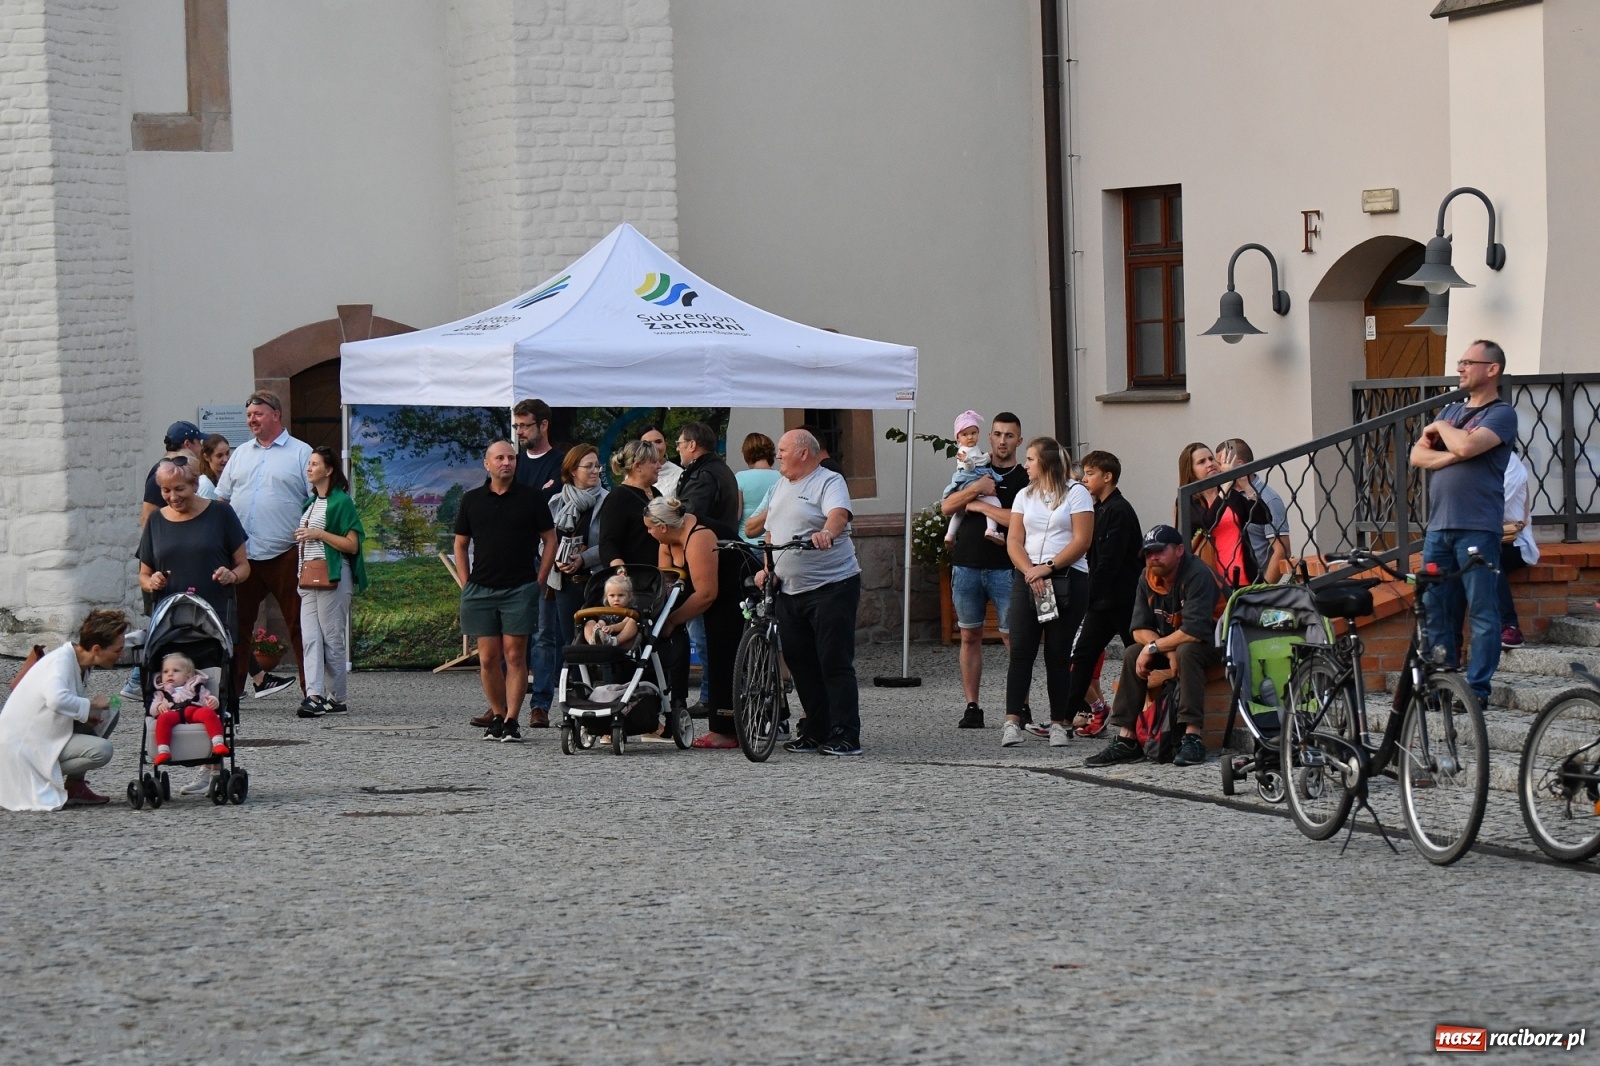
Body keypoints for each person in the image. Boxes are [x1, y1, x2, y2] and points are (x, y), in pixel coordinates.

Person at [1409, 339, 1518, 705]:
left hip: (1477, 526)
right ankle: (1442, 683)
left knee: (1483, 610)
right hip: (1438, 527)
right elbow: (1417, 455)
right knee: (1436, 607)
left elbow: (1468, 448)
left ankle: (1477, 690)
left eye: (1468, 362)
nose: (1460, 368)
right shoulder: (1454, 411)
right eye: (1460, 362)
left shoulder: (1502, 414)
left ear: (1492, 369)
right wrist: (1452, 452)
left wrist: (1444, 431)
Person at [137, 458, 250, 795]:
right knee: (171, 692)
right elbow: (143, 574)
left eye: (180, 489)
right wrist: (151, 580)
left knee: (212, 690)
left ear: (196, 483)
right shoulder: (156, 521)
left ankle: (210, 766)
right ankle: (168, 754)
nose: (172, 497)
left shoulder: (220, 515)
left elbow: (244, 566)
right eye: (165, 490)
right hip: (171, 621)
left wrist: (232, 575)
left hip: (213, 615)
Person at [1085, 525, 1223, 769]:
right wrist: (1160, 649)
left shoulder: (1197, 574)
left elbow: (1193, 632)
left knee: (1186, 651)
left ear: (1180, 550)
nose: (1153, 558)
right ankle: (1127, 739)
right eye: (1148, 553)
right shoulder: (1148, 577)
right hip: (1176, 643)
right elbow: (1138, 628)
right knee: (1132, 652)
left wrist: (1156, 648)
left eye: (1159, 551)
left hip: (1218, 642)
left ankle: (1192, 736)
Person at [766, 429, 863, 757]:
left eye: (782, 449)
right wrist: (768, 567)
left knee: (833, 660)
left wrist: (826, 533)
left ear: (803, 452)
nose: (778, 454)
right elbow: (769, 530)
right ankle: (815, 728)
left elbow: (839, 515)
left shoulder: (828, 481)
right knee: (800, 661)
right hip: (790, 590)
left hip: (831, 586)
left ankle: (846, 733)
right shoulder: (780, 484)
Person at [453, 441, 557, 743]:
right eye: (499, 458)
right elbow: (460, 543)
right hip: (481, 588)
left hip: (520, 587)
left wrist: (541, 577)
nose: (506, 463)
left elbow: (549, 539)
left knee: (514, 655)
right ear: (487, 464)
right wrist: (465, 580)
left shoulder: (532, 498)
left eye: (511, 458)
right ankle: (497, 715)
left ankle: (512, 719)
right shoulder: (472, 500)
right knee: (487, 658)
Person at [213, 391, 312, 700]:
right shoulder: (240, 454)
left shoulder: (301, 453)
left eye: (257, 414)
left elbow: (316, 498)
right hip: (243, 555)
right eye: (248, 416)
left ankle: (313, 691)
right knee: (235, 625)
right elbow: (222, 500)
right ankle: (231, 692)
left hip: (286, 553)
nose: (251, 420)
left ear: (276, 415)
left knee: (299, 624)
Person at [999, 438, 1093, 748]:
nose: (1025, 465)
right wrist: (1030, 570)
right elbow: (1014, 540)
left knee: (1057, 652)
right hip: (1028, 578)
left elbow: (1081, 540)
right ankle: (1013, 720)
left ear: (1047, 463)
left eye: (1030, 459)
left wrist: (1047, 567)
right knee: (1021, 651)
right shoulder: (1024, 495)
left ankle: (1058, 722)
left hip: (1065, 578)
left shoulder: (1077, 493)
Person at [941, 412, 1026, 729]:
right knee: (969, 636)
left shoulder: (1023, 478)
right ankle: (972, 706)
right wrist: (976, 488)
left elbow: (1018, 521)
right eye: (998, 434)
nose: (1003, 440)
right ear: (989, 438)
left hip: (1006, 567)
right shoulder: (975, 469)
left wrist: (977, 505)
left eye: (1009, 435)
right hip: (966, 565)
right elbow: (947, 506)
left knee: (1013, 639)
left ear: (1018, 440)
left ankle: (1021, 706)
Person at [0, 609, 128, 810]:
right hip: (23, 745)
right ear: (96, 649)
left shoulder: (80, 660)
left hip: (42, 734)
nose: (121, 655)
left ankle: (75, 785)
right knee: (103, 751)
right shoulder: (61, 661)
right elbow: (56, 699)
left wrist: (87, 715)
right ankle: (38, 773)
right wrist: (91, 706)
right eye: (117, 650)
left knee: (109, 712)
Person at [644, 497, 745, 748]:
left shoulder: (699, 536)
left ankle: (726, 729)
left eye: (650, 528)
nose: (648, 532)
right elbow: (666, 582)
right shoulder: (666, 540)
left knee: (721, 649)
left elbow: (707, 594)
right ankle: (673, 708)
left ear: (664, 526)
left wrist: (673, 620)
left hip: (735, 588)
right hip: (708, 589)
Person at [1063, 450, 1143, 738]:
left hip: (1123, 600)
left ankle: (1150, 713)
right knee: (1082, 655)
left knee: (1139, 654)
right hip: (1104, 601)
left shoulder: (1118, 510)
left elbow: (1109, 561)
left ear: (1107, 477)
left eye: (1091, 474)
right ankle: (1063, 719)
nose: (1085, 479)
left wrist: (1088, 594)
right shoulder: (1101, 509)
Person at [293, 446, 367, 719]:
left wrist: (319, 533)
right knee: (310, 637)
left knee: (331, 637)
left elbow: (351, 544)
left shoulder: (341, 502)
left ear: (330, 469)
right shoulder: (310, 502)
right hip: (307, 575)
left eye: (315, 464)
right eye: (309, 464)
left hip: (334, 575)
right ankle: (314, 695)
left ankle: (337, 697)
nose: (309, 468)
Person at [673, 421, 740, 711]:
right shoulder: (719, 469)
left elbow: (688, 515)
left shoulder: (703, 474)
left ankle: (711, 697)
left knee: (704, 634)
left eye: (678, 443)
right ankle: (714, 695)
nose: (677, 449)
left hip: (707, 555)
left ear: (692, 445)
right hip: (720, 552)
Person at [513, 398, 566, 728]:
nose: (520, 432)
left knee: (546, 632)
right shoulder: (512, 463)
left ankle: (541, 704)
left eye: (525, 426)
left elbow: (551, 506)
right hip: (515, 556)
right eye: (517, 426)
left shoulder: (561, 463)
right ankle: (504, 704)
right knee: (512, 632)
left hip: (547, 555)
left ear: (543, 425)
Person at [1179, 441, 1271, 589]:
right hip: (1212, 583)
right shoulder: (1189, 500)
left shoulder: (1230, 495)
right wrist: (1227, 483)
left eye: (1211, 459)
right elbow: (1209, 521)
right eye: (1202, 462)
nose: (1209, 464)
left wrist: (1245, 484)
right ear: (1191, 472)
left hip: (1245, 578)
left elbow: (1263, 517)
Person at [549, 444, 608, 653]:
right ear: (573, 470)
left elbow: (612, 543)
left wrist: (584, 558)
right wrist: (554, 559)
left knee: (598, 639)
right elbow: (543, 543)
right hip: (564, 584)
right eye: (588, 466)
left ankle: (603, 685)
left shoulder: (608, 501)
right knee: (571, 641)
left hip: (597, 582)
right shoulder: (556, 502)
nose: (595, 471)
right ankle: (575, 684)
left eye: (597, 466)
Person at [1216, 438, 1292, 583]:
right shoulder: (1224, 494)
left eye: (1222, 463)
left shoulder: (1268, 499)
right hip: (1224, 586)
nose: (1218, 469)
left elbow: (1282, 551)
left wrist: (1263, 591)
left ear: (1239, 465)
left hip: (1252, 585)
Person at [149, 652, 227, 767]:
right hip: (172, 713)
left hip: (194, 710)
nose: (170, 674)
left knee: (208, 713)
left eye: (176, 671)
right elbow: (152, 709)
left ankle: (218, 743)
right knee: (163, 719)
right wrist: (159, 706)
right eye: (166, 672)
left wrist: (212, 700)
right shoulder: (161, 691)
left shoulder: (195, 686)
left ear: (188, 676)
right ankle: (163, 750)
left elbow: (206, 697)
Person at [598, 440, 663, 569]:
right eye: (654, 462)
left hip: (658, 575)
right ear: (638, 466)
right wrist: (619, 570)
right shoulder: (617, 498)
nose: (659, 466)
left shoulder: (656, 493)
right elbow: (608, 543)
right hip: (634, 578)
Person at [942, 410, 1003, 547]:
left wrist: (986, 456)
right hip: (971, 478)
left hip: (966, 480)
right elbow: (971, 466)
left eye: (973, 433)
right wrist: (970, 461)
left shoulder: (973, 449)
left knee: (960, 511)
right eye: (965, 434)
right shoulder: (964, 451)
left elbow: (979, 459)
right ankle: (991, 529)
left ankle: (950, 535)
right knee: (994, 501)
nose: (970, 437)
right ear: (958, 438)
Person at [1498, 449, 1540, 648]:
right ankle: (1451, 641)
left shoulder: (1510, 463)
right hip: (1482, 537)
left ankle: (1510, 627)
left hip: (1514, 543)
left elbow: (1494, 506)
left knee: (1487, 561)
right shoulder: (1477, 463)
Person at [141, 420, 208, 528]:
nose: (201, 447)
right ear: (187, 444)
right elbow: (147, 518)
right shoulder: (164, 473)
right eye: (198, 442)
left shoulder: (183, 469)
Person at [735, 433, 782, 546]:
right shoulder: (782, 478)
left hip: (747, 543)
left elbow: (736, 516)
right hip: (774, 543)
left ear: (747, 453)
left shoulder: (740, 478)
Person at [583, 571, 640, 648]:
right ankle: (593, 640)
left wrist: (612, 628)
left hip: (621, 637)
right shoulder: (606, 611)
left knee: (633, 622)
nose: (616, 599)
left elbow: (623, 624)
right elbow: (602, 621)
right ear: (606, 597)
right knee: (590, 622)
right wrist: (599, 626)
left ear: (629, 597)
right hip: (605, 636)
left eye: (621, 595)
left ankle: (615, 641)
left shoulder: (631, 611)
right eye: (612, 596)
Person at [641, 425, 683, 499]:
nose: (654, 447)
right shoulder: (632, 474)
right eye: (648, 444)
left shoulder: (679, 474)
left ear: (666, 443)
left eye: (658, 442)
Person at [196, 433, 232, 501]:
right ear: (206, 457)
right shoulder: (205, 485)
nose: (226, 459)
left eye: (227, 453)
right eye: (219, 456)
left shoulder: (227, 479)